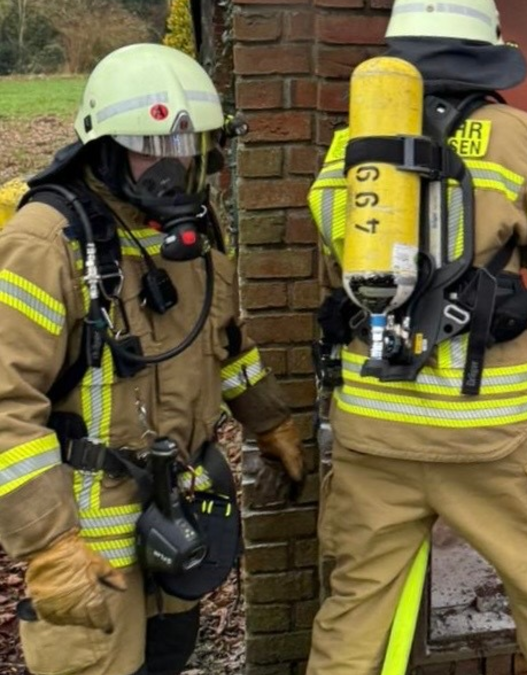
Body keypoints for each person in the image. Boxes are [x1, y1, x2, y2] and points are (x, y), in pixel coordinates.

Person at [304, 1, 527, 673]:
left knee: (355, 607)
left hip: (373, 427)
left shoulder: (350, 145)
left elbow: (339, 262)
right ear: (487, 50)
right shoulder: (518, 134)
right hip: (490, 431)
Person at [0, 43, 304, 675]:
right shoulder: (44, 244)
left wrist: (269, 421)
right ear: (103, 147)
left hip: (176, 521)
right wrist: (48, 545)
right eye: (151, 146)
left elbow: (223, 347)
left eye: (186, 148)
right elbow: (6, 407)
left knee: (168, 660)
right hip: (89, 547)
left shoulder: (193, 236)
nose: (173, 166)